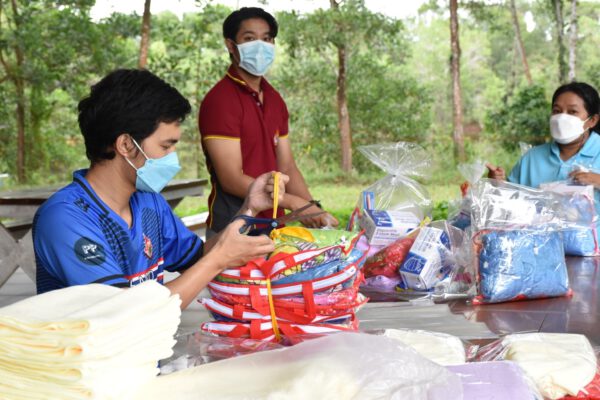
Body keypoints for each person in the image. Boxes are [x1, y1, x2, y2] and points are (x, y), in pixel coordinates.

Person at [33, 69, 288, 309]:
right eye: (166, 146)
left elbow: (197, 258)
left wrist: (249, 209)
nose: (173, 157)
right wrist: (219, 259)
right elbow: (123, 313)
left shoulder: (148, 202)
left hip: (146, 344)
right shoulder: (65, 218)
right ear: (125, 145)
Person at [198, 7, 338, 238]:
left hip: (274, 226)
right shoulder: (220, 101)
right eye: (249, 38)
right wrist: (294, 203)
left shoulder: (274, 99)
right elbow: (231, 178)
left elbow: (287, 166)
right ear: (231, 45)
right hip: (233, 227)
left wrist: (313, 208)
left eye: (267, 38)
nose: (260, 46)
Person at [486, 82, 600, 208]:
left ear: (592, 120)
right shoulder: (532, 157)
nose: (562, 118)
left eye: (572, 111)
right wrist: (498, 184)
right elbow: (511, 202)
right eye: (557, 111)